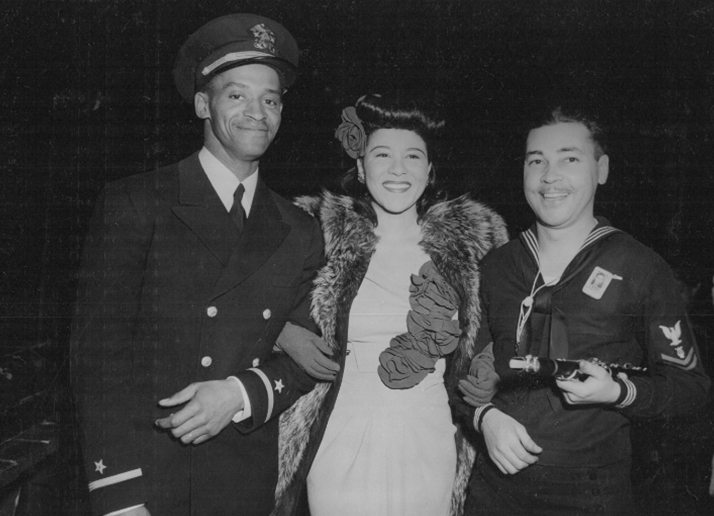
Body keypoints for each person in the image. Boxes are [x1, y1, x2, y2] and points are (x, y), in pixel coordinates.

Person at [70, 13, 325, 516]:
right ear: (203, 105)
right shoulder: (137, 202)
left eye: (271, 100)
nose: (257, 113)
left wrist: (239, 394)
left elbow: (307, 357)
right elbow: (97, 358)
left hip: (242, 481)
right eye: (237, 95)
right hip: (147, 477)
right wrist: (118, 496)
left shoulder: (300, 228)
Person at [459, 105, 711, 515]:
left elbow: (691, 388)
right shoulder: (495, 266)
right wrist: (484, 416)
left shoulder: (640, 268)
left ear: (601, 169)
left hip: (592, 494)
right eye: (536, 161)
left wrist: (620, 393)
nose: (549, 176)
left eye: (569, 159)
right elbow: (457, 373)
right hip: (493, 493)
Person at [270, 94, 509, 516]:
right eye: (382, 155)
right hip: (339, 433)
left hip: (430, 433)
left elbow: (503, 332)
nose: (398, 169)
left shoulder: (476, 244)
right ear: (361, 168)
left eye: (413, 156)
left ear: (429, 170)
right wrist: (283, 334)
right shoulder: (315, 232)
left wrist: (492, 368)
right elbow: (244, 307)